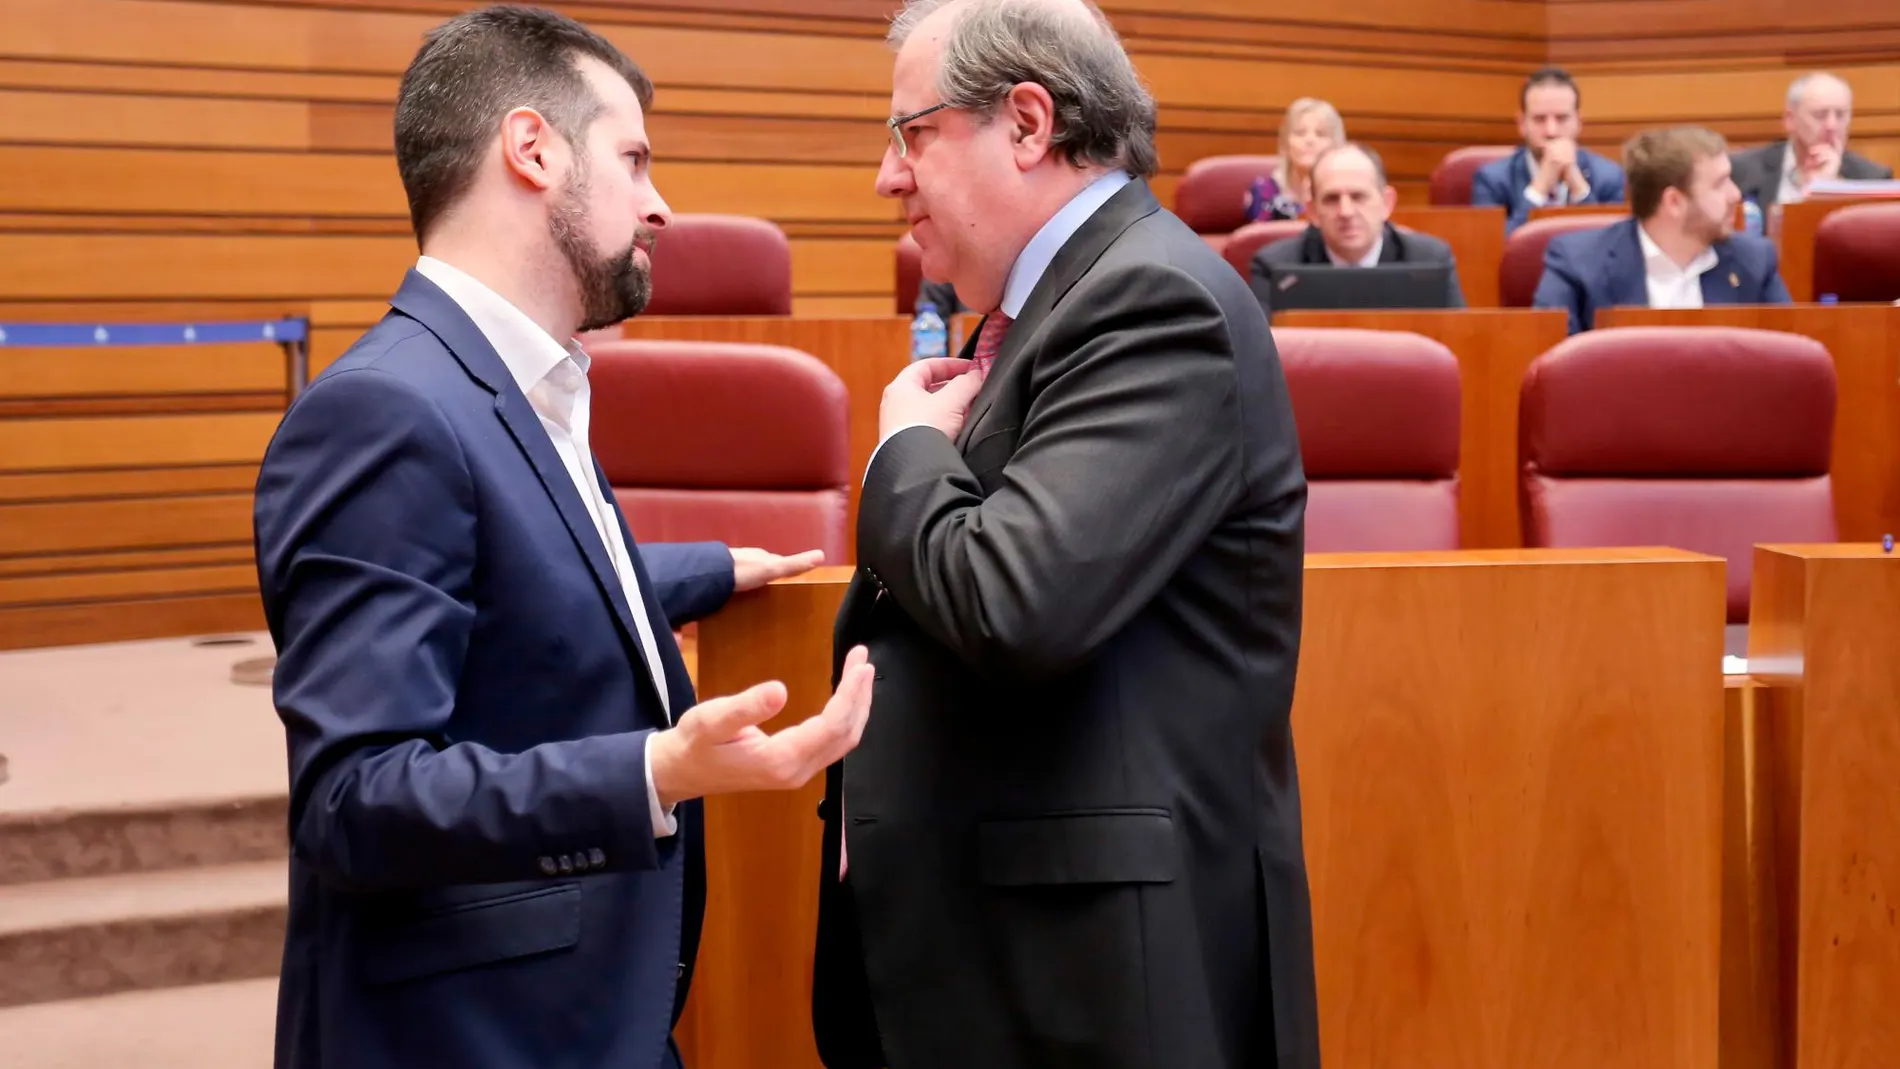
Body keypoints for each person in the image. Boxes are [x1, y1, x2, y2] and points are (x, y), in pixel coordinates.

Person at [252, 7, 875, 1068]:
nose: (660, 203)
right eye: (632, 158)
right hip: (473, 1036)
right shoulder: (387, 413)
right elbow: (357, 796)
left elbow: (519, 580)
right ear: (533, 149)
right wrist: (656, 769)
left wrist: (712, 569)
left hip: (582, 1016)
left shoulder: (512, 383)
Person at [811, 1, 1318, 1067]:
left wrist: (900, 452)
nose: (885, 177)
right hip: (1005, 957)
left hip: (1095, 981)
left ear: (1028, 123)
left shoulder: (1150, 300)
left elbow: (1011, 602)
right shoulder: (1051, 307)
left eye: (911, 133)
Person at [1534, 126, 1791, 334]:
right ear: (1674, 202)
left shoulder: (1754, 262)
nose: (1736, 194)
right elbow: (1552, 371)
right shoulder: (1577, 265)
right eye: (1720, 184)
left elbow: (1788, 364)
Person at [1250, 141, 1465, 311]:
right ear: (1313, 211)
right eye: (1332, 199)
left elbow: (1457, 347)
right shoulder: (1274, 267)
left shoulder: (1431, 261)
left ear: (1386, 203)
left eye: (1358, 197)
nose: (1346, 212)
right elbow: (1262, 359)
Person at [1472, 67, 1625, 232]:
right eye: (1539, 119)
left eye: (1562, 118)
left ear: (1578, 122)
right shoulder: (1491, 180)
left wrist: (1578, 187)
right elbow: (1492, 250)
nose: (1551, 131)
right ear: (1522, 123)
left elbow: (1613, 249)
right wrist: (1539, 188)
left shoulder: (1609, 176)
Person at [1730, 71, 1893, 209]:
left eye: (1840, 115)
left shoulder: (1873, 179)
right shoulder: (1742, 170)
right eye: (1820, 115)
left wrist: (1829, 189)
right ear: (1790, 120)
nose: (1832, 125)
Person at [1246, 97, 1347, 222]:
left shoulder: (1347, 194)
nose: (1310, 140)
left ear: (1336, 145)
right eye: (1300, 133)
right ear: (1285, 142)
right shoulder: (1263, 191)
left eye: (1320, 134)